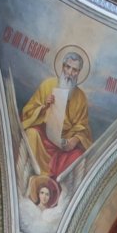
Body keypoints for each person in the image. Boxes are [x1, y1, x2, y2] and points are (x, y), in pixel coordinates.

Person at [21, 50, 92, 178]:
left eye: (74, 70)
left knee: (78, 156)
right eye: (68, 67)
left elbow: (83, 128)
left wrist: (74, 140)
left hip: (64, 144)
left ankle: (54, 179)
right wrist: (44, 107)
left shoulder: (81, 97)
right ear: (62, 66)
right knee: (31, 134)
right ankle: (38, 174)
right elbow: (28, 111)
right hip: (44, 137)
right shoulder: (47, 84)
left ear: (79, 72)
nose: (70, 73)